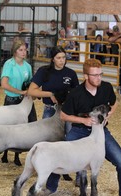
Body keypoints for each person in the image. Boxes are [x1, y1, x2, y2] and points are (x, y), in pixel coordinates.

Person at [41, 58, 121, 196]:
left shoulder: (106, 87)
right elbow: (63, 115)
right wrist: (83, 120)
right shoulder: (75, 93)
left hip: (100, 133)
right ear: (86, 76)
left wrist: (109, 114)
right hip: (79, 131)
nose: (99, 78)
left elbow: (114, 102)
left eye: (100, 74)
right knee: (61, 154)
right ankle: (51, 187)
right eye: (95, 75)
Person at [27, 45, 79, 180]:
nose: (62, 60)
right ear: (52, 59)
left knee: (68, 139)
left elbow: (77, 94)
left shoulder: (71, 74)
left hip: (67, 112)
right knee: (46, 141)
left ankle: (65, 169)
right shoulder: (44, 72)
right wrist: (50, 94)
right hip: (50, 110)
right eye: (58, 58)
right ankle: (44, 168)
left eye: (63, 57)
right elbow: (31, 91)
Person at [1, 38, 37, 166]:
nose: (24, 52)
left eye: (25, 50)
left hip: (25, 102)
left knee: (26, 127)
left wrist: (31, 91)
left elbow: (30, 83)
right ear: (15, 51)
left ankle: (17, 155)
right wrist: (20, 92)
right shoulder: (9, 64)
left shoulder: (27, 66)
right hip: (12, 101)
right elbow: (4, 84)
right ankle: (5, 153)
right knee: (9, 128)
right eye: (20, 50)